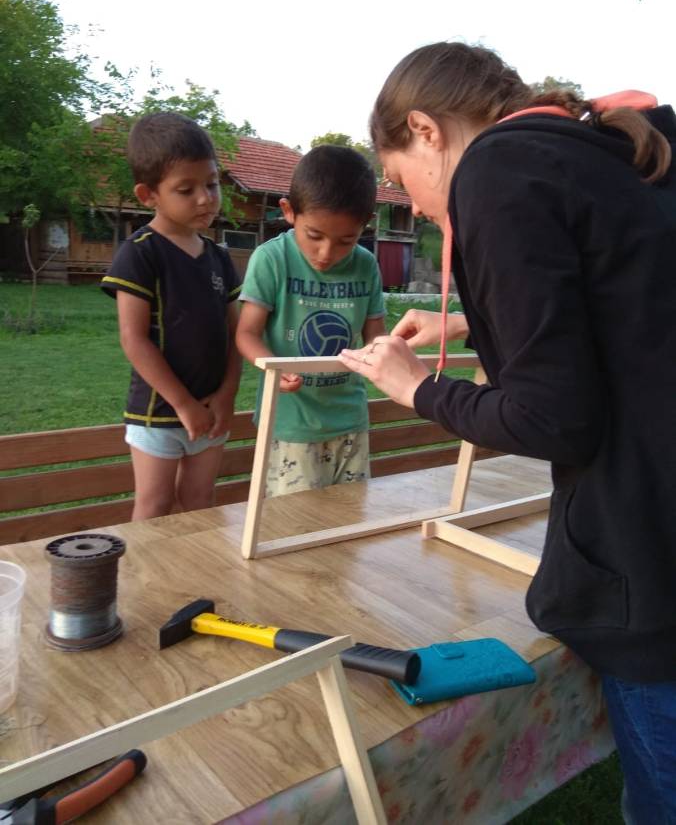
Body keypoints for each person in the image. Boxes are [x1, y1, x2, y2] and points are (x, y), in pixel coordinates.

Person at [340, 42, 676, 824]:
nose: (417, 206)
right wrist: (468, 318)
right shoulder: (599, 150)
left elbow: (552, 417)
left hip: (652, 562)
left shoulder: (496, 170)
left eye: (400, 181)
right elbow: (629, 313)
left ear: (427, 129)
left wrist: (416, 388)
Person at [102, 112, 242, 520]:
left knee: (200, 505)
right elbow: (134, 339)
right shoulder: (140, 252)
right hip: (157, 414)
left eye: (212, 184)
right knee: (156, 505)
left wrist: (227, 395)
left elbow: (236, 334)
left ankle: (193, 583)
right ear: (149, 195)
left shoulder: (218, 257)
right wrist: (182, 404)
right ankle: (145, 586)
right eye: (186, 189)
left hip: (213, 410)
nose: (205, 198)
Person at [236, 144, 385, 496]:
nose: (326, 253)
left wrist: (384, 354)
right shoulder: (272, 259)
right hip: (291, 424)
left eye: (346, 240)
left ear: (366, 225)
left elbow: (375, 335)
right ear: (289, 212)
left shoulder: (366, 265)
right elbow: (246, 332)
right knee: (292, 526)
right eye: (314, 235)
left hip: (350, 420)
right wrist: (273, 365)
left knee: (349, 524)